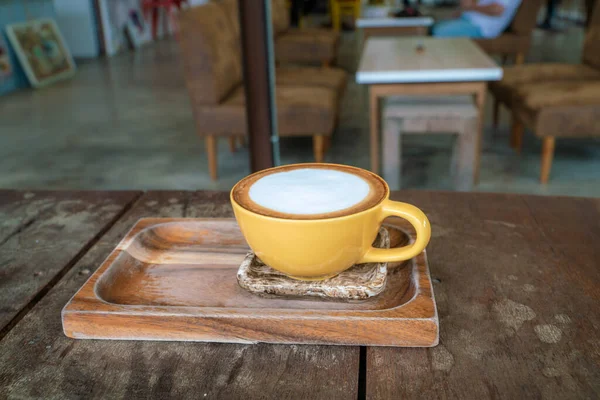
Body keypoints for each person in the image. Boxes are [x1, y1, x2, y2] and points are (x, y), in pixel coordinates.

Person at [432, 0, 523, 38]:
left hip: (482, 28)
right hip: (469, 20)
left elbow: (497, 10)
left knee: (437, 31)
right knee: (431, 24)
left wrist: (471, 6)